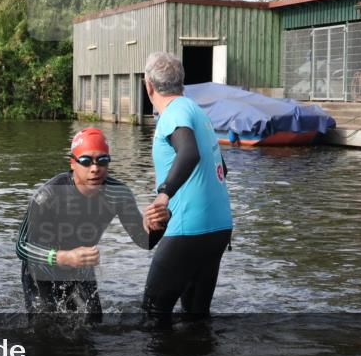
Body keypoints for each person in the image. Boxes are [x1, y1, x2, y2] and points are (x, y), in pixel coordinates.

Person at [16, 127, 168, 320]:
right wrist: (63, 257)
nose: (95, 168)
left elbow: (144, 241)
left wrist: (162, 222)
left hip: (81, 265)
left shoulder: (118, 194)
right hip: (41, 267)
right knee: (45, 327)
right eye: (86, 161)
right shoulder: (48, 195)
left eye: (102, 161)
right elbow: (21, 247)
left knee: (94, 322)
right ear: (73, 163)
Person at [141, 51, 233, 322]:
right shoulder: (196, 111)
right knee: (196, 317)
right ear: (182, 83)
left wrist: (163, 195)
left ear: (148, 85)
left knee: (152, 316)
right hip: (218, 229)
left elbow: (189, 153)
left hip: (189, 230)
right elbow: (222, 168)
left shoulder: (172, 113)